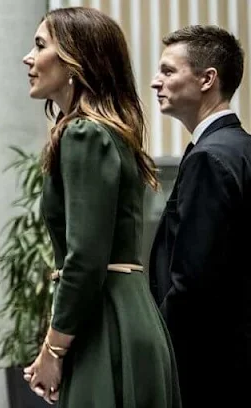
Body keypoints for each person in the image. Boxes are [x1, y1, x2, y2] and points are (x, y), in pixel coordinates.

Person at [20, 7, 181, 407]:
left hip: (106, 324)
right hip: (123, 316)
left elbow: (86, 258)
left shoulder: (83, 134)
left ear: (76, 61)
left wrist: (52, 351)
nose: (28, 57)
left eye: (40, 45)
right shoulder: (105, 132)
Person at [149, 25, 250, 407]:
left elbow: (192, 283)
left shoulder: (210, 157)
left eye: (168, 71)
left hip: (206, 368)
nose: (156, 82)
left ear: (208, 79)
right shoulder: (239, 148)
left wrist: (158, 356)